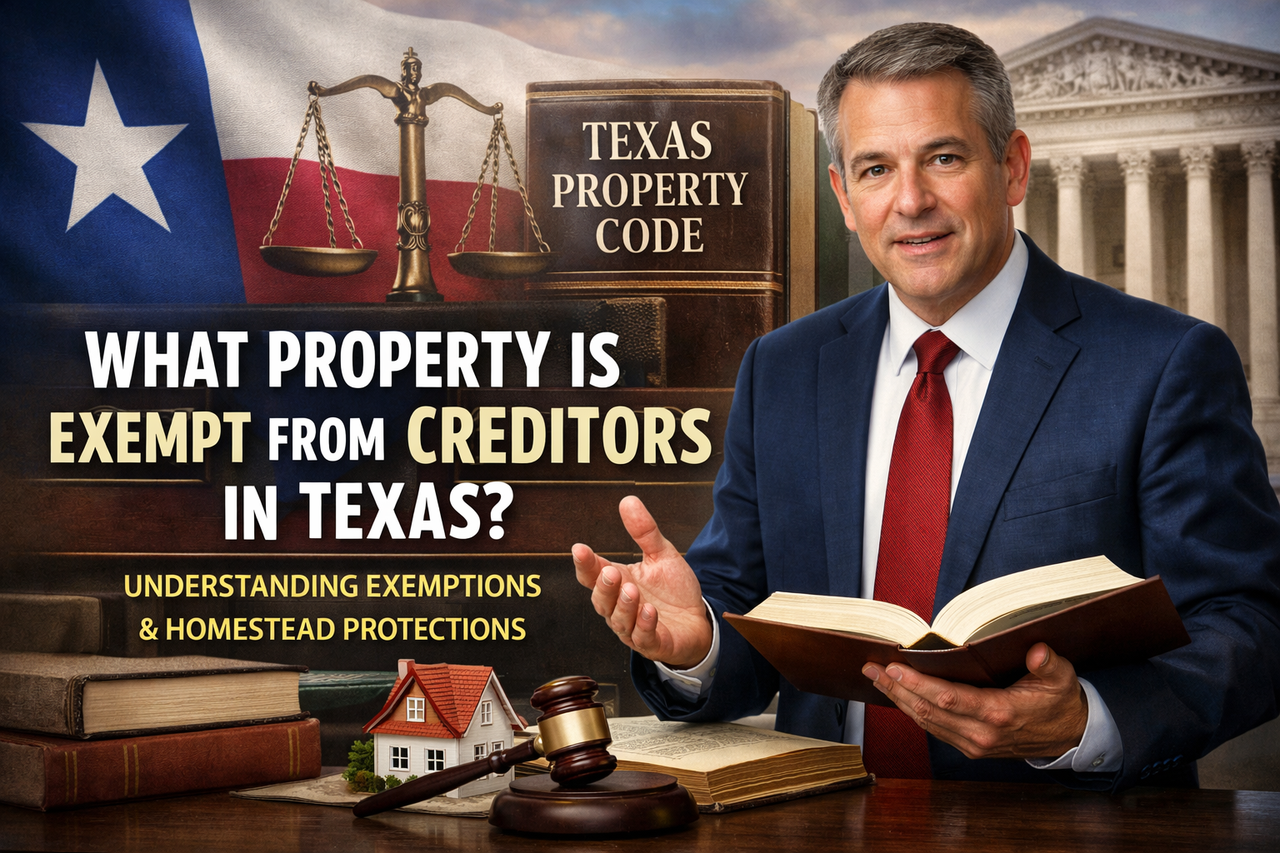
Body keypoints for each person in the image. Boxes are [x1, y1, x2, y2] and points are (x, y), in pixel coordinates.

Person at [573, 22, 1280, 791]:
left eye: (943, 157)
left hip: (1067, 835)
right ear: (844, 196)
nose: (911, 201)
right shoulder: (783, 369)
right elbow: (752, 619)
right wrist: (695, 642)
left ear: (1012, 167)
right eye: (876, 168)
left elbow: (1252, 623)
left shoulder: (1163, 363)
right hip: (820, 829)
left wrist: (1088, 718)